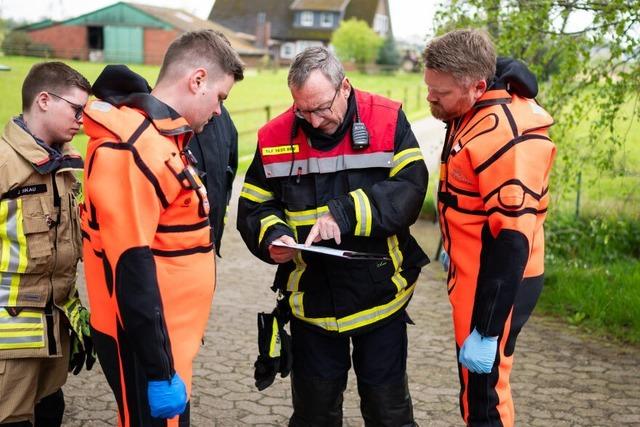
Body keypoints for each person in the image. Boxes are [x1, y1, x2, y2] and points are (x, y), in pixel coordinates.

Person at [237, 46, 429, 426]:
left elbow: (410, 188)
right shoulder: (274, 136)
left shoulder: (387, 120)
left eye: (321, 107)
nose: (313, 120)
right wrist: (271, 235)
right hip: (312, 306)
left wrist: (345, 213)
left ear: (345, 87)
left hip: (380, 300)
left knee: (388, 412)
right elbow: (254, 204)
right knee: (314, 415)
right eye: (302, 110)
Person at [80, 30, 244, 425]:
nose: (220, 111)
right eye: (220, 97)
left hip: (170, 342)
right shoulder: (131, 149)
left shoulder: (161, 138)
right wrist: (158, 368)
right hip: (147, 346)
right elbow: (130, 267)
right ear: (197, 79)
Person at [422, 29, 556, 426]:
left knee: (485, 394)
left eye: (440, 93)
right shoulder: (475, 93)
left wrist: (487, 327)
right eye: (429, 87)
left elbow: (513, 241)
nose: (430, 98)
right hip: (470, 271)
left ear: (478, 86)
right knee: (473, 387)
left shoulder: (507, 139)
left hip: (496, 281)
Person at [0, 62, 94, 426]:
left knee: (51, 412)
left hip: (55, 333)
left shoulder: (65, 166)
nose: (82, 120)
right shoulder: (5, 164)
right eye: (76, 109)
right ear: (43, 100)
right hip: (10, 342)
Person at [189, 105, 238, 255]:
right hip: (174, 256)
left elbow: (228, 173)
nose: (217, 109)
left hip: (211, 245)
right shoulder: (158, 122)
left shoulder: (222, 117)